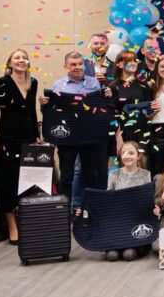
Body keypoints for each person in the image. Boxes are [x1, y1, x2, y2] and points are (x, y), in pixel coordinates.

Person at [39, 52, 111, 207]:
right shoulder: (58, 85)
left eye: (80, 64)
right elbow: (51, 112)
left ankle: (87, 210)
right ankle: (65, 209)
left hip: (90, 137)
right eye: (73, 64)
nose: (77, 67)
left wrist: (108, 96)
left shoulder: (95, 83)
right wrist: (43, 105)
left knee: (90, 175)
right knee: (66, 175)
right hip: (66, 138)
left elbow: (102, 108)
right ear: (66, 67)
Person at [0, 49, 40, 245]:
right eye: (17, 58)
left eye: (24, 58)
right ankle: (11, 226)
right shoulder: (1, 83)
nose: (21, 60)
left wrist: (37, 136)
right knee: (8, 182)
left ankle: (25, 221)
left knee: (27, 182)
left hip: (28, 138)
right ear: (9, 63)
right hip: (7, 140)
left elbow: (32, 111)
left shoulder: (32, 82)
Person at [106, 141, 152, 261]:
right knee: (112, 256)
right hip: (118, 221)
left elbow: (147, 199)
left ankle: (135, 246)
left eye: (131, 153)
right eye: (124, 153)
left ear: (138, 156)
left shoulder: (146, 174)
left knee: (128, 255)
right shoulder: (114, 174)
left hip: (137, 220)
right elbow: (108, 200)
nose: (127, 156)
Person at [109, 51, 152, 153]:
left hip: (142, 132)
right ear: (120, 64)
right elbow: (112, 115)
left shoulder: (144, 86)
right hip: (123, 132)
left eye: (135, 60)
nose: (133, 63)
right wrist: (118, 137)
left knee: (142, 161)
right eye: (129, 61)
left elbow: (147, 112)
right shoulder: (113, 86)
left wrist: (153, 110)